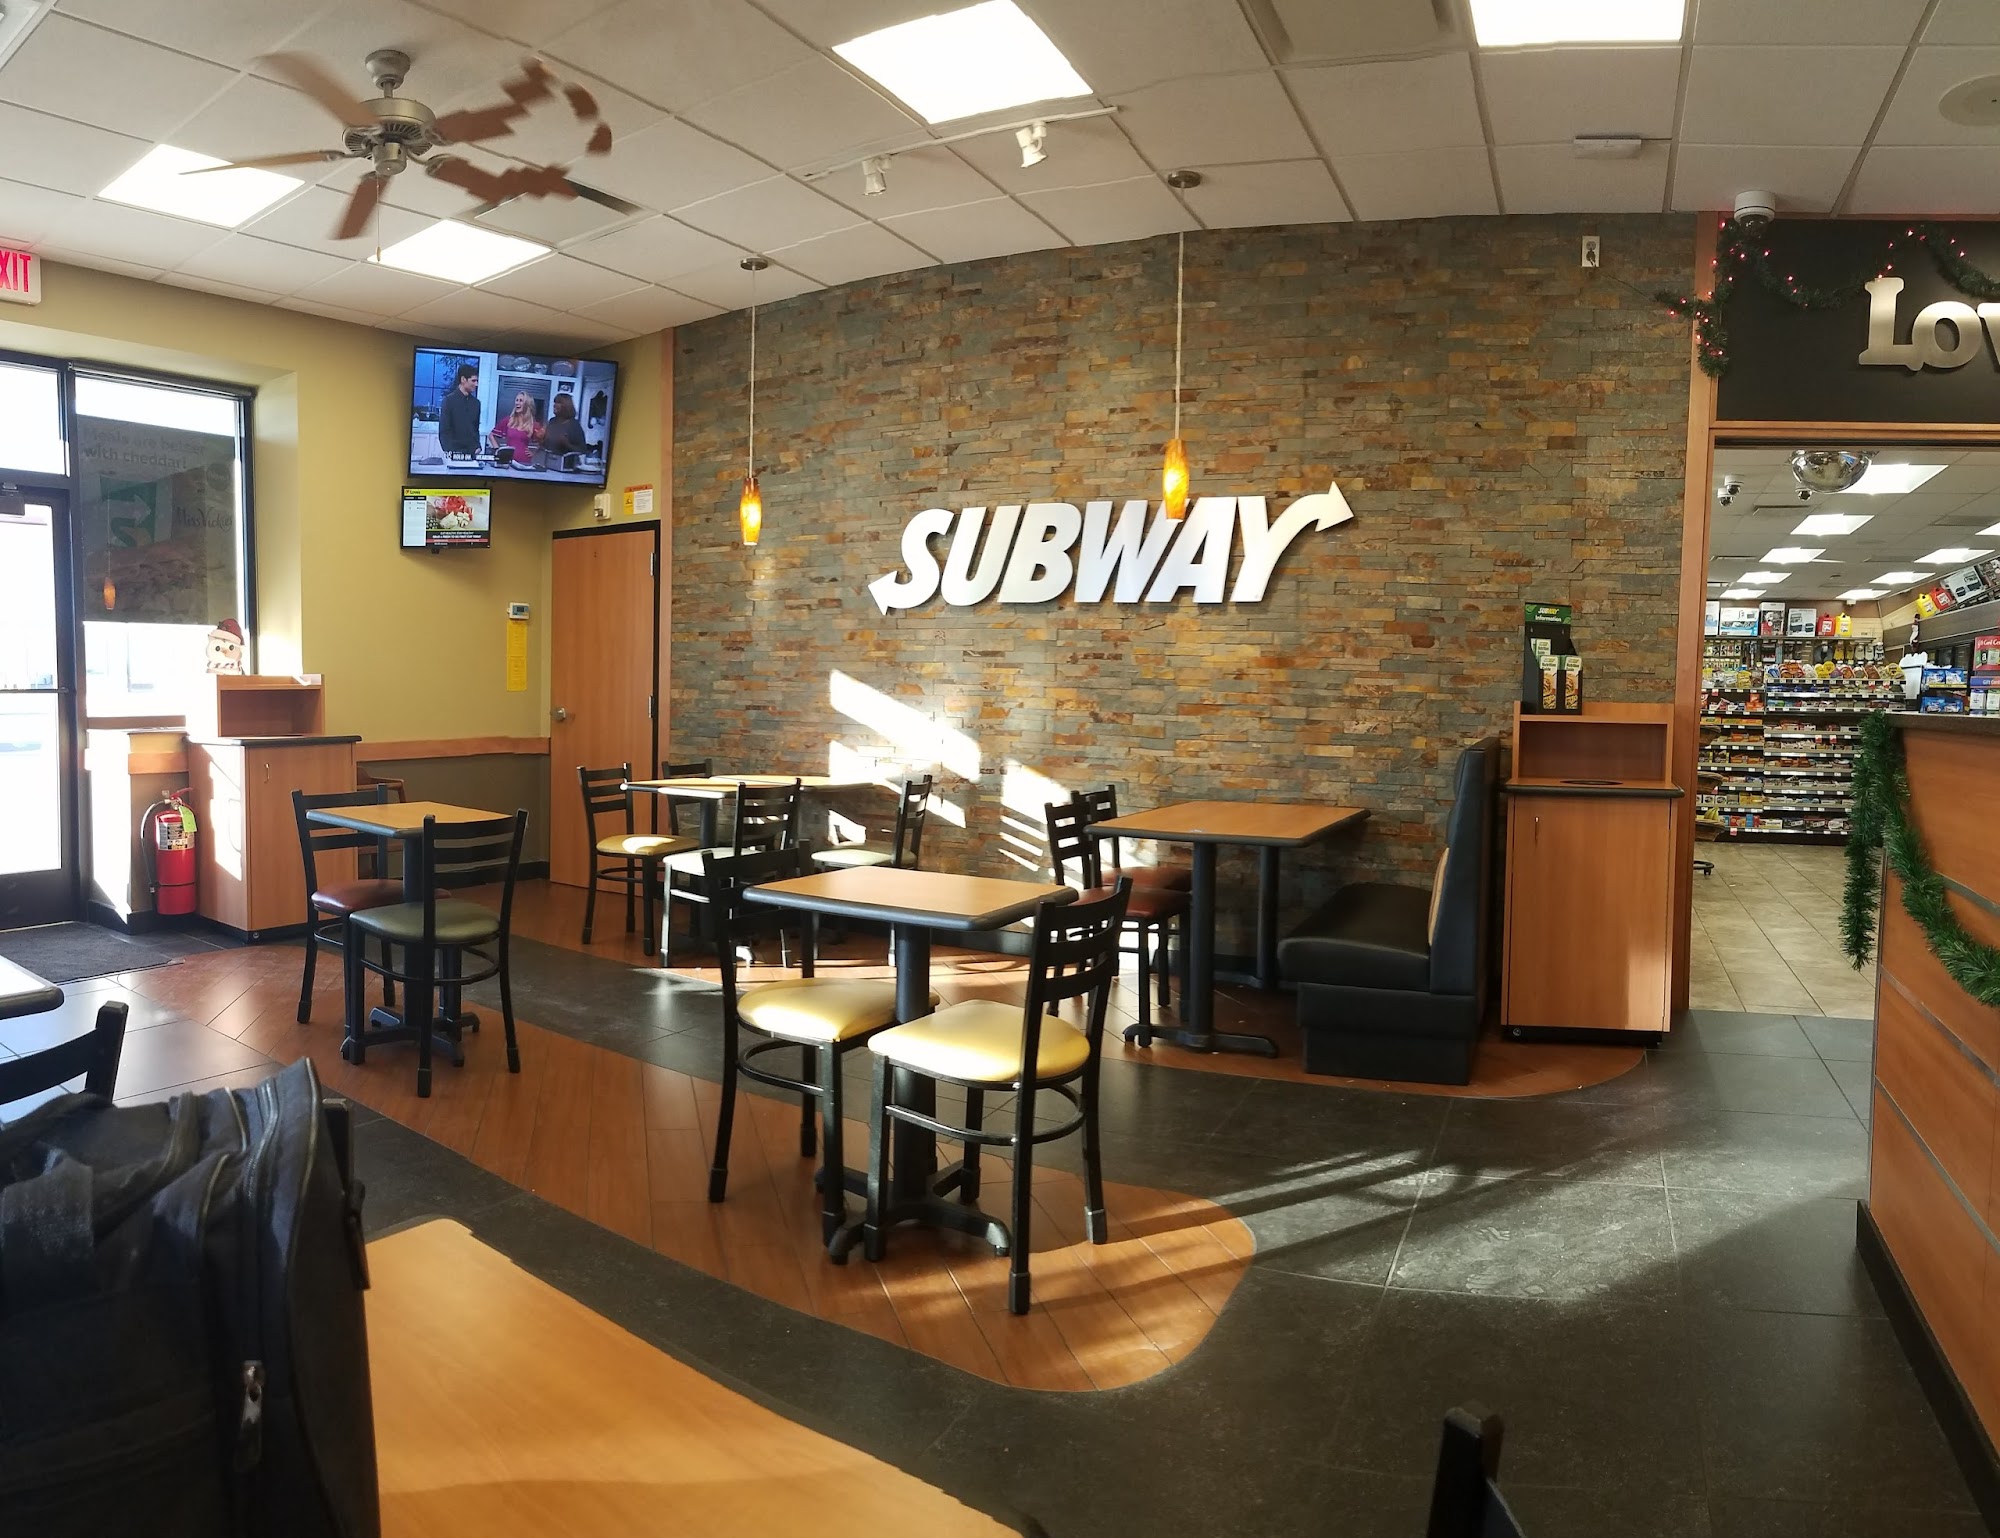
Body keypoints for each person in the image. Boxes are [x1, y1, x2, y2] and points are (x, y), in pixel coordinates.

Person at [438, 362, 481, 458]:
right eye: (473, 381)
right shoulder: (449, 401)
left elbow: (475, 429)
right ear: (463, 379)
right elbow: (444, 431)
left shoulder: (476, 403)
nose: (476, 384)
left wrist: (477, 446)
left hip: (472, 453)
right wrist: (451, 452)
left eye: (477, 381)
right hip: (454, 453)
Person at [490, 390, 543, 465]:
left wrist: (534, 452)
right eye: (516, 400)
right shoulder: (508, 420)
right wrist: (498, 450)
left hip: (524, 462)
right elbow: (491, 435)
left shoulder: (533, 424)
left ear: (527, 404)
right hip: (508, 460)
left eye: (521, 401)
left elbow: (544, 442)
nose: (517, 403)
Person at [542, 391, 587, 458]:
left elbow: (582, 450)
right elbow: (546, 445)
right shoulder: (552, 421)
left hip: (565, 463)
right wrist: (541, 439)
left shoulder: (574, 425)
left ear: (566, 406)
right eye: (555, 402)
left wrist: (566, 444)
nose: (554, 405)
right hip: (548, 461)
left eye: (558, 403)